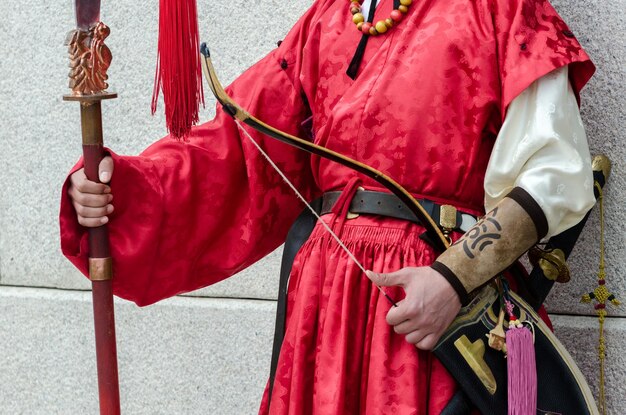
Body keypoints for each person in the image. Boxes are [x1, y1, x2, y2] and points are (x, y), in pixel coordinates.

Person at [60, 0, 596, 413]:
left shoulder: (501, 9)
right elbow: (240, 150)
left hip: (434, 309)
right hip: (324, 309)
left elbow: (557, 173)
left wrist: (452, 279)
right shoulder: (333, 16)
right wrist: (126, 188)